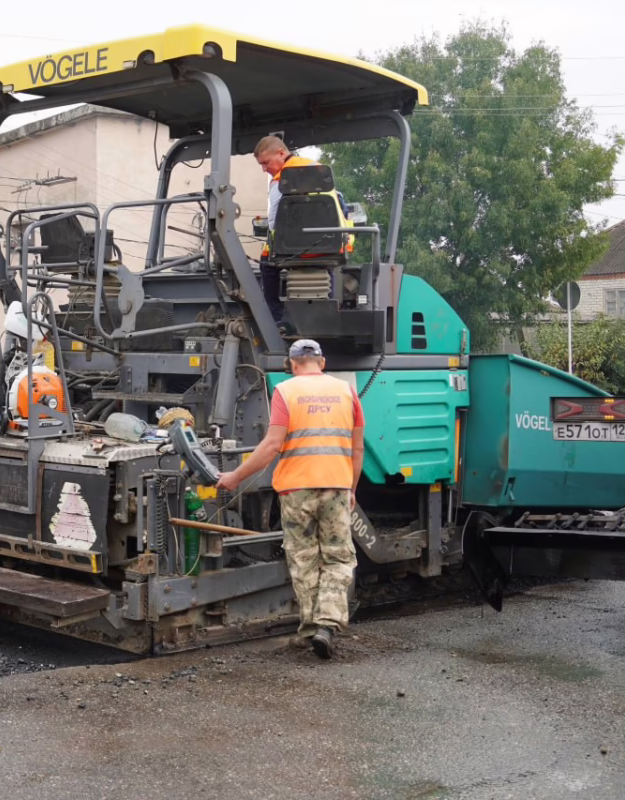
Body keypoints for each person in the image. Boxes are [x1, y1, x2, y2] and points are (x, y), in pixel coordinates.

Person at [216, 339, 365, 659]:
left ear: (293, 364)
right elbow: (357, 448)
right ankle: (327, 624)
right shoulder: (346, 391)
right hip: (336, 488)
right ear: (321, 362)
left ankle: (311, 628)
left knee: (303, 557)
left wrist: (234, 477)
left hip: (296, 491)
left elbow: (271, 447)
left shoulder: (285, 391)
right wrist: (351, 489)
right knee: (338, 558)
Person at [253, 135, 317, 330]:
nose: (265, 169)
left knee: (267, 265)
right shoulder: (316, 168)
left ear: (281, 153)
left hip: (293, 248)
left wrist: (271, 244)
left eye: (266, 163)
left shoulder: (282, 179)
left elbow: (274, 221)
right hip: (326, 244)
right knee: (328, 264)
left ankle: (276, 320)